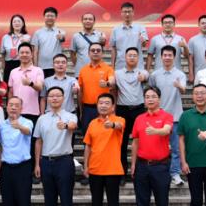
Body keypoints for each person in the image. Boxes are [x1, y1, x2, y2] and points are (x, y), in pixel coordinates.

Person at [33, 87, 78, 206]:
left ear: (63, 98)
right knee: (49, 200)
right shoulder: (42, 119)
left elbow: (73, 126)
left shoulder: (70, 116)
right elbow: (38, 141)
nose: (54, 98)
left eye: (58, 95)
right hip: (46, 161)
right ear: (47, 99)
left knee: (66, 199)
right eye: (51, 95)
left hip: (64, 161)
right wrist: (37, 163)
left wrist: (64, 126)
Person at [131, 86, 174, 206]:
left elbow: (166, 130)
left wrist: (156, 131)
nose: (150, 99)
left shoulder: (166, 116)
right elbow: (135, 142)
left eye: (153, 96)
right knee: (142, 200)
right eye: (147, 97)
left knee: (162, 200)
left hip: (160, 166)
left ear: (159, 99)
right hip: (142, 165)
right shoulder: (139, 118)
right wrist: (133, 164)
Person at [83, 93, 126, 206]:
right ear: (97, 106)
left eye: (107, 103)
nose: (103, 105)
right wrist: (86, 166)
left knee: (113, 203)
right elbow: (88, 146)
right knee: (96, 203)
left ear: (113, 107)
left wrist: (112, 125)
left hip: (113, 169)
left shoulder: (119, 120)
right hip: (95, 169)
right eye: (100, 103)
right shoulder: (92, 123)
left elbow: (119, 126)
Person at [148, 45, 187, 186]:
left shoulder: (180, 74)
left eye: (170, 55)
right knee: (157, 146)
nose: (167, 57)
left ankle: (175, 173)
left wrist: (179, 86)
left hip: (175, 116)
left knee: (175, 148)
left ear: (174, 57)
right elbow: (151, 93)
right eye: (165, 55)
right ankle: (158, 172)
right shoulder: (154, 75)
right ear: (161, 57)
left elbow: (183, 90)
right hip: (158, 117)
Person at [0, 96, 33, 206]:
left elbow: (27, 132)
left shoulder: (27, 122)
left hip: (23, 167)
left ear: (21, 108)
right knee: (8, 202)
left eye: (16, 105)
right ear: (7, 107)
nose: (13, 107)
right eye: (11, 105)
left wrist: (18, 126)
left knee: (24, 202)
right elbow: (0, 146)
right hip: (6, 167)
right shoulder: (2, 125)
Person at [77, 43, 115, 177]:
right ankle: (87, 170)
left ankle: (104, 170)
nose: (95, 52)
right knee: (87, 142)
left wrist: (107, 83)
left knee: (104, 141)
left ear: (102, 53)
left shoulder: (108, 69)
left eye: (98, 50)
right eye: (92, 50)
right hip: (88, 109)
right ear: (88, 53)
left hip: (104, 111)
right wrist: (81, 111)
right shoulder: (83, 70)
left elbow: (112, 81)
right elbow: (80, 92)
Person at [7, 42, 44, 170]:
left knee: (32, 143)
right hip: (16, 113)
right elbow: (10, 91)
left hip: (32, 112)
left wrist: (30, 83)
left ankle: (33, 169)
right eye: (22, 52)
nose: (24, 55)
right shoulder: (13, 72)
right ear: (18, 54)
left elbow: (40, 87)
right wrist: (9, 110)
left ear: (32, 54)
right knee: (16, 141)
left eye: (27, 52)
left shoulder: (38, 70)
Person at [114, 47, 148, 184]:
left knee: (141, 141)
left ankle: (138, 172)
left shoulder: (142, 71)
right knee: (121, 143)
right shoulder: (117, 73)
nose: (132, 57)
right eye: (130, 55)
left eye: (135, 55)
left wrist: (142, 78)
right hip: (122, 110)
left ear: (138, 58)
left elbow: (145, 76)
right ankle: (122, 173)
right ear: (125, 57)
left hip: (138, 110)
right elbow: (111, 82)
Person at [111, 2, 148, 70]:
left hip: (137, 66)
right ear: (121, 13)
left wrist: (143, 41)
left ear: (133, 13)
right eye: (125, 12)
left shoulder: (140, 28)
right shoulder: (115, 29)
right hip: (120, 66)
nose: (127, 14)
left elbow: (144, 44)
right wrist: (112, 66)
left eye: (129, 12)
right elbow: (113, 49)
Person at [31, 7, 66, 78]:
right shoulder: (38, 33)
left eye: (52, 16)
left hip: (56, 66)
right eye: (48, 16)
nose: (50, 18)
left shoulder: (61, 31)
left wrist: (61, 37)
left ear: (56, 17)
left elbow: (62, 39)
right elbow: (35, 51)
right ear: (44, 17)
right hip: (41, 67)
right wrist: (35, 67)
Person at [70, 13, 106, 78]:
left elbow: (102, 51)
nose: (87, 21)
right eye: (85, 19)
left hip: (97, 71)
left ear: (94, 21)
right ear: (82, 21)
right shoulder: (76, 36)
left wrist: (103, 41)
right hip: (80, 71)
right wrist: (78, 65)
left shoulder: (100, 35)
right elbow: (72, 54)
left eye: (90, 19)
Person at [0, 14, 30, 82]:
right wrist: (2, 68)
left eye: (19, 21)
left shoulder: (27, 37)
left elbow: (30, 53)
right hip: (8, 65)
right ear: (11, 24)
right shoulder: (5, 37)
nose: (17, 23)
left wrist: (24, 42)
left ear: (23, 24)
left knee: (21, 84)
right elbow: (2, 54)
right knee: (8, 84)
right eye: (14, 22)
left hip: (22, 64)